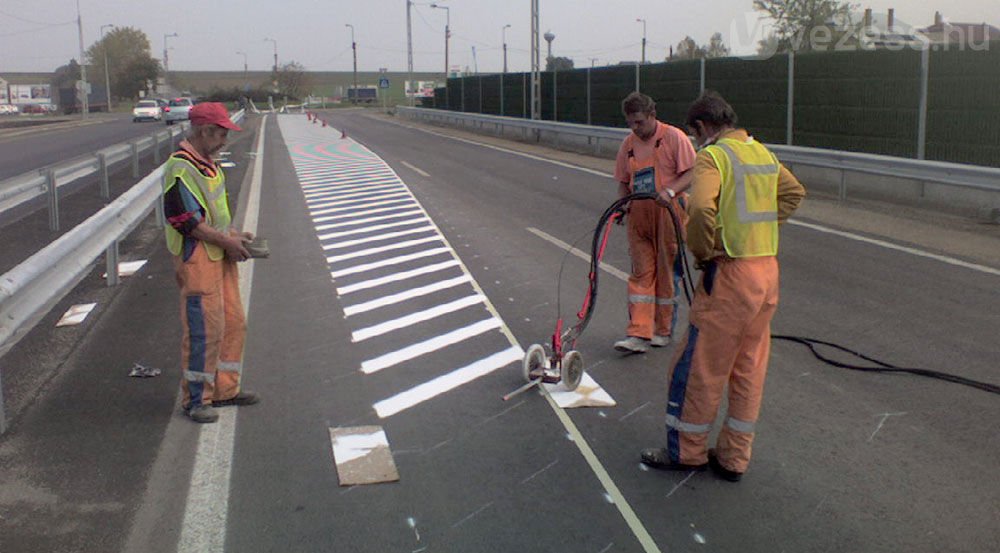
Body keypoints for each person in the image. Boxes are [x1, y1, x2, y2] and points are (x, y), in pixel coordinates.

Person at [640, 91, 806, 481]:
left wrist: (703, 251)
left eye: (695, 133)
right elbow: (794, 193)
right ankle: (733, 458)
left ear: (702, 127)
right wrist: (760, 229)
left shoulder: (712, 157)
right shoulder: (762, 153)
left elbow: (699, 211)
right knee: (748, 367)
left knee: (700, 366)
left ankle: (687, 451)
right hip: (766, 274)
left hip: (730, 275)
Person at [163, 102, 259, 423]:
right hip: (197, 258)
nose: (224, 140)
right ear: (204, 131)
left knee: (233, 323)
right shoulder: (182, 168)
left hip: (219, 254)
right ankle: (195, 400)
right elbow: (186, 221)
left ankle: (224, 390)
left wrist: (235, 235)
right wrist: (226, 241)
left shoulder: (208, 164)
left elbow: (212, 216)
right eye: (220, 133)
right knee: (204, 330)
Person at [613, 92, 697, 354]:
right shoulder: (628, 144)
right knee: (641, 274)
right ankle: (638, 332)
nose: (635, 128)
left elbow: (692, 172)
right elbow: (623, 181)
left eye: (639, 122)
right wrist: (623, 204)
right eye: (630, 123)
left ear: (652, 115)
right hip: (639, 217)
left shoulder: (674, 138)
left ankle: (663, 330)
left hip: (668, 214)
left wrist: (670, 191)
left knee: (667, 274)